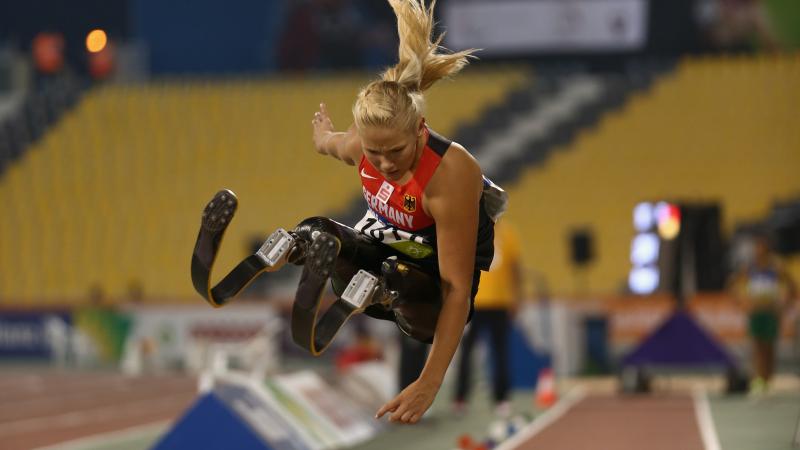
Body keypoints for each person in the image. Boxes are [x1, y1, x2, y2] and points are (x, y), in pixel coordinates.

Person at [310, 0, 506, 424]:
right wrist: (323, 136)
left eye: (396, 151)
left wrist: (430, 381)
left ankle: (384, 289)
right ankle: (298, 248)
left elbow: (456, 290)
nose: (385, 164)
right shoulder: (362, 147)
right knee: (321, 233)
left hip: (433, 279)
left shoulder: (450, 175)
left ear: (419, 130)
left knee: (404, 282)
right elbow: (331, 144)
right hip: (392, 244)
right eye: (374, 152)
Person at [452, 220, 523, 418]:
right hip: (474, 302)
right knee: (466, 352)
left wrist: (517, 297)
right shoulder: (471, 231)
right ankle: (460, 397)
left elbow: (516, 268)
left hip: (500, 303)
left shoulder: (508, 233)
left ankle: (501, 398)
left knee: (500, 352)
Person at [728, 234, 797, 395]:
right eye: (756, 248)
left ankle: (767, 379)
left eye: (761, 248)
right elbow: (732, 284)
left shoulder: (776, 267)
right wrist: (743, 303)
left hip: (771, 312)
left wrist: (784, 305)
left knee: (769, 346)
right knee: (757, 346)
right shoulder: (751, 267)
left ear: (767, 250)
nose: (758, 251)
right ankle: (759, 379)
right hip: (756, 311)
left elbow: (792, 287)